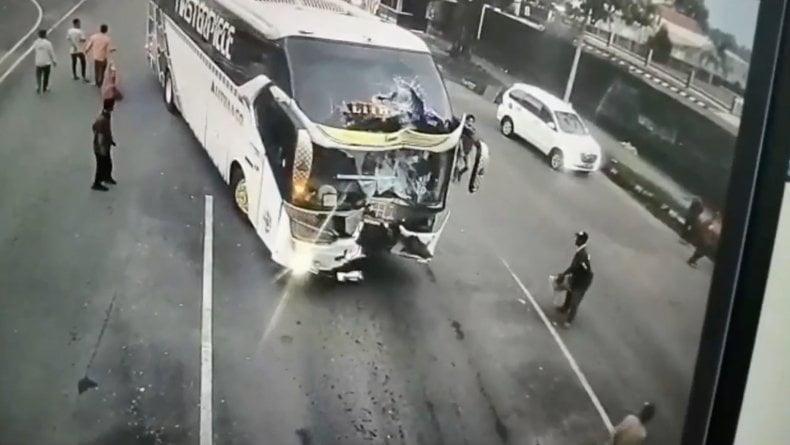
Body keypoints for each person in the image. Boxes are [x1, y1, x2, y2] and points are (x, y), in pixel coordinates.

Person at [556, 231, 594, 327]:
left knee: (575, 300)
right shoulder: (580, 251)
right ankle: (565, 307)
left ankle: (569, 321)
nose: (576, 240)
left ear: (582, 241)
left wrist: (563, 275)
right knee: (569, 290)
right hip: (577, 276)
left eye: (578, 238)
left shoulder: (582, 254)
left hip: (583, 281)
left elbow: (574, 267)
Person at [91, 107, 117, 191]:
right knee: (101, 165)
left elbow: (107, 131)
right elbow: (98, 132)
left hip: (105, 145)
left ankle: (107, 177)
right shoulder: (102, 119)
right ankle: (97, 183)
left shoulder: (106, 117)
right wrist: (102, 148)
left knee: (108, 163)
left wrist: (110, 141)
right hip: (100, 147)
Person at [455, 114, 480, 181]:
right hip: (461, 148)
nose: (470, 122)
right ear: (466, 120)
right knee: (458, 164)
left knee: (467, 166)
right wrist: (462, 149)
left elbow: (473, 139)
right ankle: (455, 176)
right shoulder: (463, 129)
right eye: (469, 121)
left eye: (472, 121)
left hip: (467, 150)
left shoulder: (472, 130)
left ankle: (460, 173)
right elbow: (460, 139)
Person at [33, 29, 57, 94]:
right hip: (46, 62)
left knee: (38, 75)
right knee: (46, 76)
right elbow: (51, 52)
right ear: (45, 35)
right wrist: (54, 61)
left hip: (38, 62)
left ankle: (38, 85)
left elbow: (35, 50)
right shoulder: (48, 43)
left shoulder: (35, 42)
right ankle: (44, 88)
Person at [66, 18, 89, 82]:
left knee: (74, 62)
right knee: (83, 62)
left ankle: (74, 75)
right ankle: (83, 76)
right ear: (76, 24)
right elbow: (83, 39)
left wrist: (73, 43)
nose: (80, 24)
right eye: (79, 23)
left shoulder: (69, 30)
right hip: (79, 49)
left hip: (72, 49)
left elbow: (68, 38)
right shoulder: (80, 31)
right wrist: (80, 40)